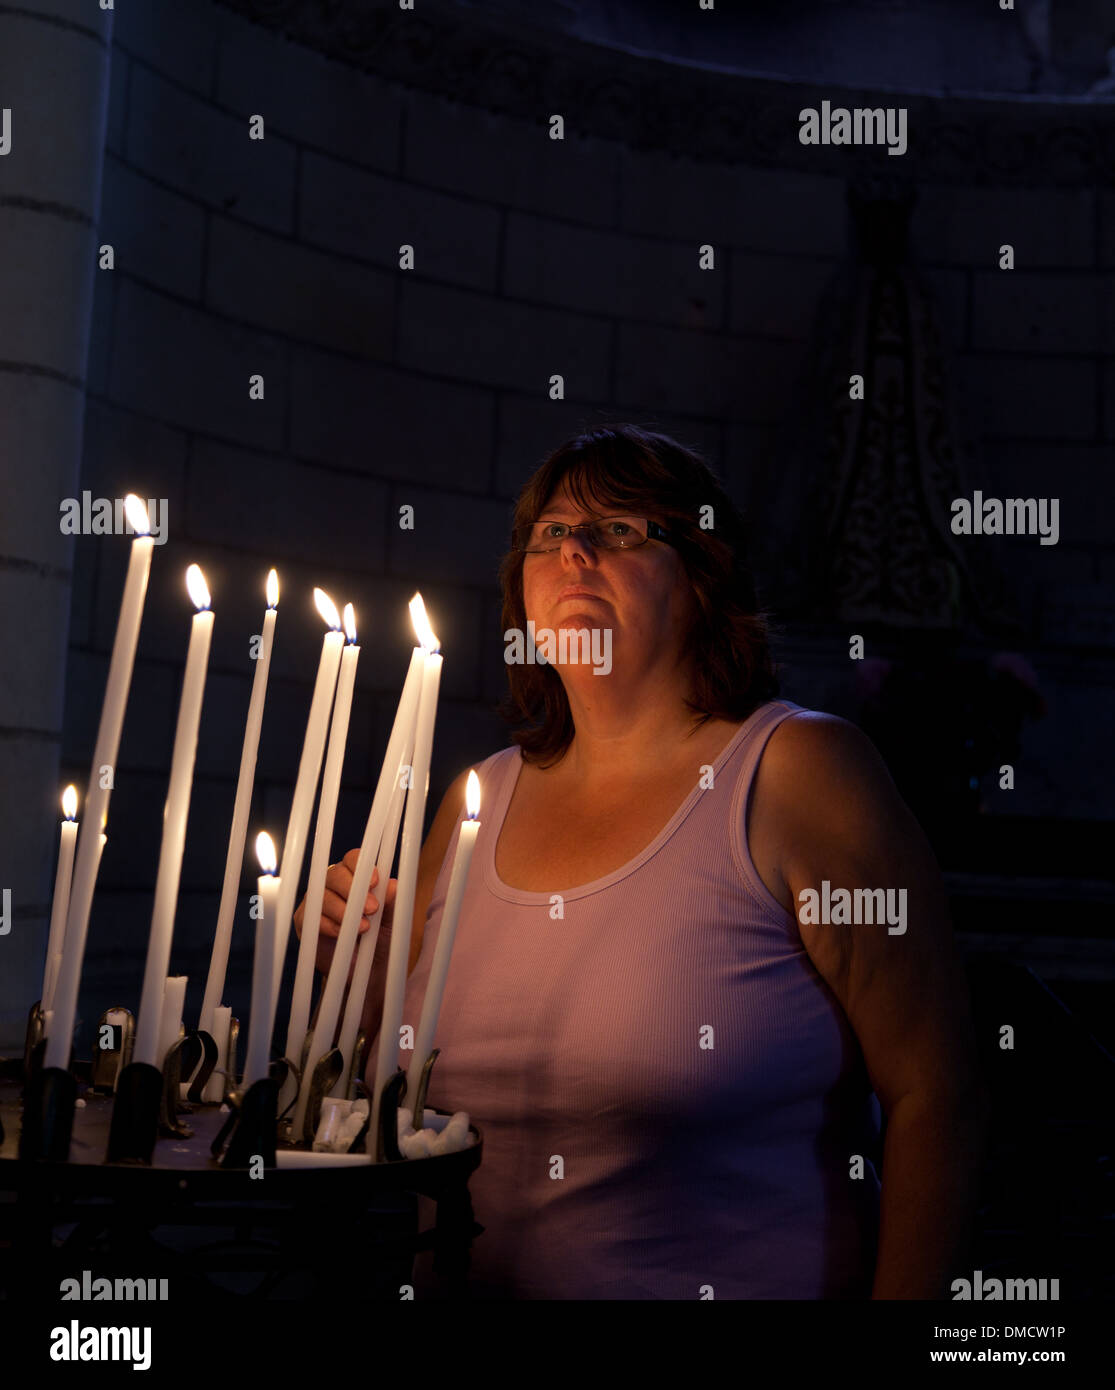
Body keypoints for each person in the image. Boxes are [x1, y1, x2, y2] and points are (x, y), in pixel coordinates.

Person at [294, 424, 986, 1299]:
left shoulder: (797, 773)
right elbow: (385, 1102)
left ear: (702, 581)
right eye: (550, 534)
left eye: (620, 531)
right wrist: (358, 970)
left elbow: (937, 1096)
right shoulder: (476, 798)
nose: (574, 550)